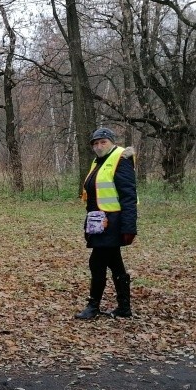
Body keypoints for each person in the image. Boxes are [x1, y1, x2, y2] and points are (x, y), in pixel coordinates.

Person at [75, 127, 138, 319]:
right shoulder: (99, 162)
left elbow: (129, 196)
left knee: (97, 262)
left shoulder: (121, 159)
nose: (99, 146)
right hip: (99, 222)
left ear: (111, 142)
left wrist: (129, 227)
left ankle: (93, 306)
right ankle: (124, 307)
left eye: (103, 142)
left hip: (112, 223)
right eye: (95, 143)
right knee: (115, 263)